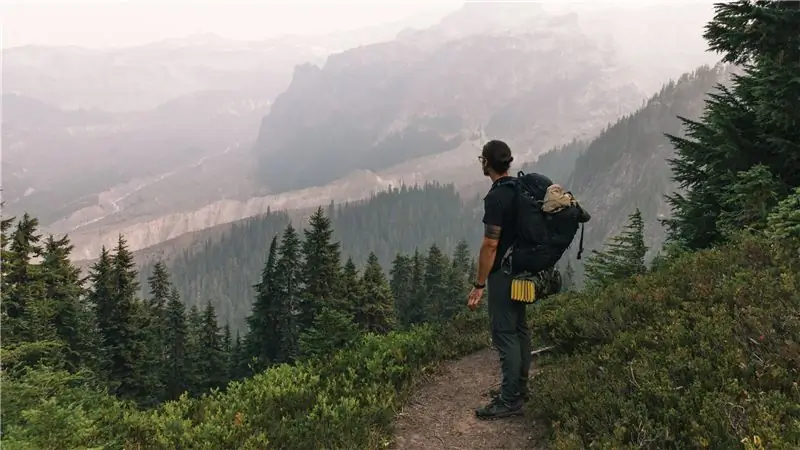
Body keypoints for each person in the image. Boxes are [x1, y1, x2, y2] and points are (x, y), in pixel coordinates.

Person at [467, 139, 532, 419]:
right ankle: (519, 389)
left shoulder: (496, 198)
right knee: (519, 330)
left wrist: (479, 284)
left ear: (486, 163)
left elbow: (490, 245)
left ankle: (508, 400)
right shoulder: (521, 187)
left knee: (505, 334)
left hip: (504, 275)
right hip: (524, 269)